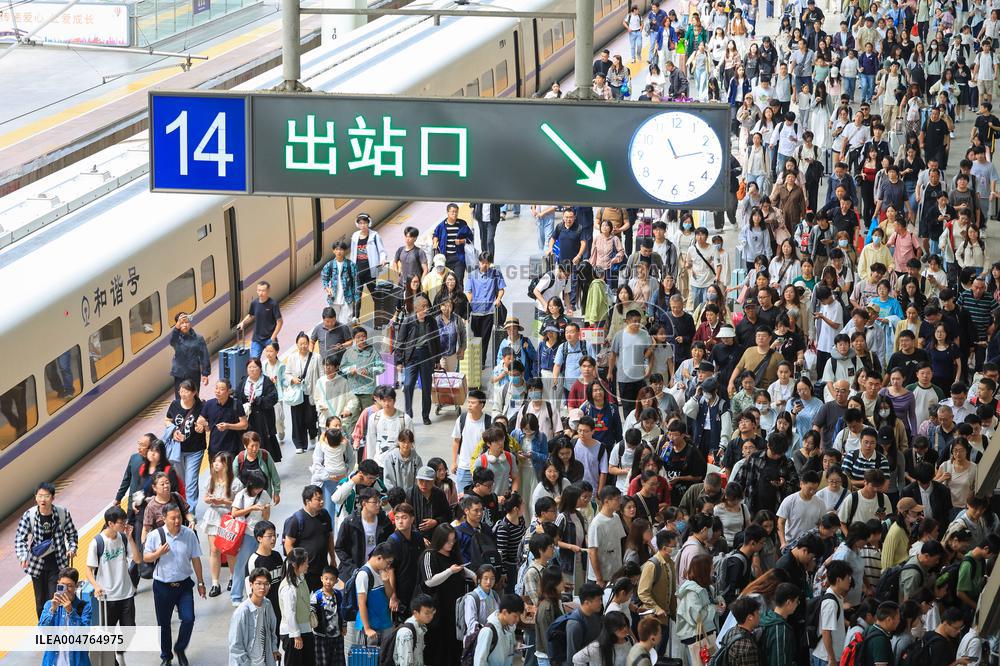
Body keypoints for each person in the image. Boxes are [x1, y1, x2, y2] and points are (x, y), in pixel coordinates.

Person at [143, 502, 207, 666]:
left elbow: (196, 559)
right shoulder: (155, 535)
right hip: (162, 587)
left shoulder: (189, 534)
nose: (177, 521)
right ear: (164, 519)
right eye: (173, 518)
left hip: (184, 585)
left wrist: (200, 582)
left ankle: (180, 647)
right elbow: (145, 557)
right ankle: (166, 657)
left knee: (189, 618)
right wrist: (158, 553)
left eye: (179, 517)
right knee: (163, 623)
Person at [15, 482, 79, 619]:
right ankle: (44, 629)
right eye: (40, 496)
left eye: (47, 496)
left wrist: (72, 548)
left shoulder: (62, 513)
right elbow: (20, 538)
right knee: (40, 602)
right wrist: (22, 556)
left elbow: (72, 534)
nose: (43, 499)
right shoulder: (30, 515)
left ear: (53, 498)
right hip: (37, 567)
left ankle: (55, 630)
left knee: (54, 598)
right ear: (36, 498)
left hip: (58, 565)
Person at [84, 505, 140, 656]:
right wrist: (96, 586)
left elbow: (137, 559)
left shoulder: (123, 538)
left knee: (130, 629)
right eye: (121, 523)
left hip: (126, 593)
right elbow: (88, 570)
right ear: (110, 524)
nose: (125, 525)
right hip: (107, 597)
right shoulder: (97, 543)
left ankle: (120, 649)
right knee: (107, 634)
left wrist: (130, 538)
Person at [417, 524, 477, 665]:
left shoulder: (453, 554)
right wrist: (449, 571)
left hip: (454, 609)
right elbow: (430, 581)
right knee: (438, 646)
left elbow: (460, 569)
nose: (450, 544)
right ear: (439, 539)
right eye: (447, 541)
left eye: (453, 540)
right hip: (436, 610)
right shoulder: (429, 555)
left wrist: (473, 574)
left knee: (454, 645)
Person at [395, 296, 441, 425]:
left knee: (426, 388)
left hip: (427, 355)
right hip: (412, 356)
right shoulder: (408, 321)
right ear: (416, 308)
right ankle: (408, 414)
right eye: (424, 306)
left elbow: (436, 340)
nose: (427, 309)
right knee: (408, 384)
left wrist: (437, 359)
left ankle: (425, 415)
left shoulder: (431, 321)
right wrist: (399, 361)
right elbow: (400, 341)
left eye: (427, 306)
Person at [282, 485, 335, 592]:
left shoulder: (324, 515)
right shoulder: (296, 520)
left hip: (321, 569)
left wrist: (333, 558)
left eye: (322, 498)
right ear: (307, 501)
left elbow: (329, 537)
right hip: (305, 572)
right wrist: (297, 566)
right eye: (318, 499)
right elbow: (288, 544)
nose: (322, 502)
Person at [37, 567, 92, 666]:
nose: (66, 590)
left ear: (76, 586)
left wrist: (71, 611)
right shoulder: (49, 605)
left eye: (69, 586)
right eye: (62, 586)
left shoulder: (84, 607)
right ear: (58, 584)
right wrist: (52, 610)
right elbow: (43, 629)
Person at [229, 567, 281, 666]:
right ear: (251, 585)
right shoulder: (242, 612)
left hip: (266, 661)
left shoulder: (267, 604)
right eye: (258, 583)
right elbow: (235, 647)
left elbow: (272, 630)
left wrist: (274, 649)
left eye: (266, 584)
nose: (262, 587)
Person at [278, 548, 315, 665]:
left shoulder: (301, 579)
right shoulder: (289, 587)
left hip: (305, 629)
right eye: (305, 563)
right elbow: (290, 613)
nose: (308, 565)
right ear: (294, 564)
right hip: (292, 634)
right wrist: (296, 635)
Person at [812, 559, 851, 666]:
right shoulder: (830, 602)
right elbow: (826, 632)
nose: (849, 580)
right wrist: (832, 658)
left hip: (832, 656)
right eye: (848, 578)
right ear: (838, 580)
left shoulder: (838, 597)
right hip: (826, 658)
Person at [197, 380, 248, 458]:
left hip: (232, 449)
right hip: (214, 448)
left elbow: (244, 425)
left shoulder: (236, 404)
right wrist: (202, 425)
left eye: (222, 389)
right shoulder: (209, 404)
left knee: (231, 470)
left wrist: (228, 426)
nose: (218, 391)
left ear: (228, 391)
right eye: (216, 388)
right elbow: (200, 420)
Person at [757, 583, 801, 666]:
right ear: (788, 602)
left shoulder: (765, 618)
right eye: (796, 601)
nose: (797, 604)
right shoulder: (780, 629)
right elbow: (779, 661)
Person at [237, 281, 283, 359]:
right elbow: (251, 315)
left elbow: (280, 322)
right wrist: (242, 323)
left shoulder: (273, 304)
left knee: (272, 359)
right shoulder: (254, 303)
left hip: (269, 338)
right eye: (259, 290)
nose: (260, 293)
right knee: (254, 361)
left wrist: (273, 337)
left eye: (263, 290)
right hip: (256, 339)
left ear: (268, 291)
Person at [432, 203, 475, 288]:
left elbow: (470, 237)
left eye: (456, 212)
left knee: (459, 280)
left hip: (459, 258)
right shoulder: (441, 226)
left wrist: (461, 241)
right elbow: (435, 235)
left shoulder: (462, 224)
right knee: (447, 282)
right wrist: (435, 241)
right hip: (446, 258)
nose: (454, 214)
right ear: (447, 212)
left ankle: (459, 300)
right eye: (452, 212)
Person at [169, 312, 210, 398]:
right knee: (180, 398)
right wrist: (177, 324)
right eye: (182, 323)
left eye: (186, 322)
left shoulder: (198, 338)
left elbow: (204, 356)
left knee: (194, 396)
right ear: (178, 325)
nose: (185, 325)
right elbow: (172, 341)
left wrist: (205, 374)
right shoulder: (176, 339)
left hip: (194, 373)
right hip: (179, 374)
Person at [320, 241, 359, 324]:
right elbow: (324, 277)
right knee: (333, 322)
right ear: (333, 251)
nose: (339, 251)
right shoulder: (329, 265)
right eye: (337, 249)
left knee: (346, 322)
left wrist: (356, 298)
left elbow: (356, 282)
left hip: (347, 298)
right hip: (333, 299)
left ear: (344, 251)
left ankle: (345, 337)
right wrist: (327, 288)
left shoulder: (350, 265)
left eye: (341, 249)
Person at [392, 593, 436, 666]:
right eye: (427, 613)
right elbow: (405, 664)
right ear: (415, 613)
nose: (431, 616)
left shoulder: (421, 626)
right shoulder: (406, 633)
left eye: (432, 612)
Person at [719, 596, 763, 666]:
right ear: (750, 617)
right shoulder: (748, 647)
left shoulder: (730, 632)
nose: (759, 616)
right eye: (757, 613)